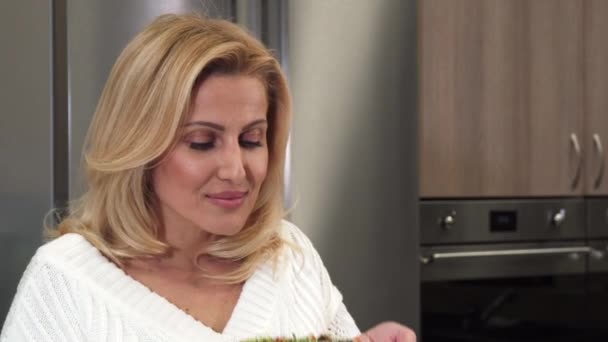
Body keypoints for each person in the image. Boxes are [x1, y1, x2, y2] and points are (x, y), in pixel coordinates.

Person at [0, 14, 415, 342]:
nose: (236, 170)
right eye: (201, 142)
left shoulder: (289, 255)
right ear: (139, 147)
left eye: (252, 139)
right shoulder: (66, 281)